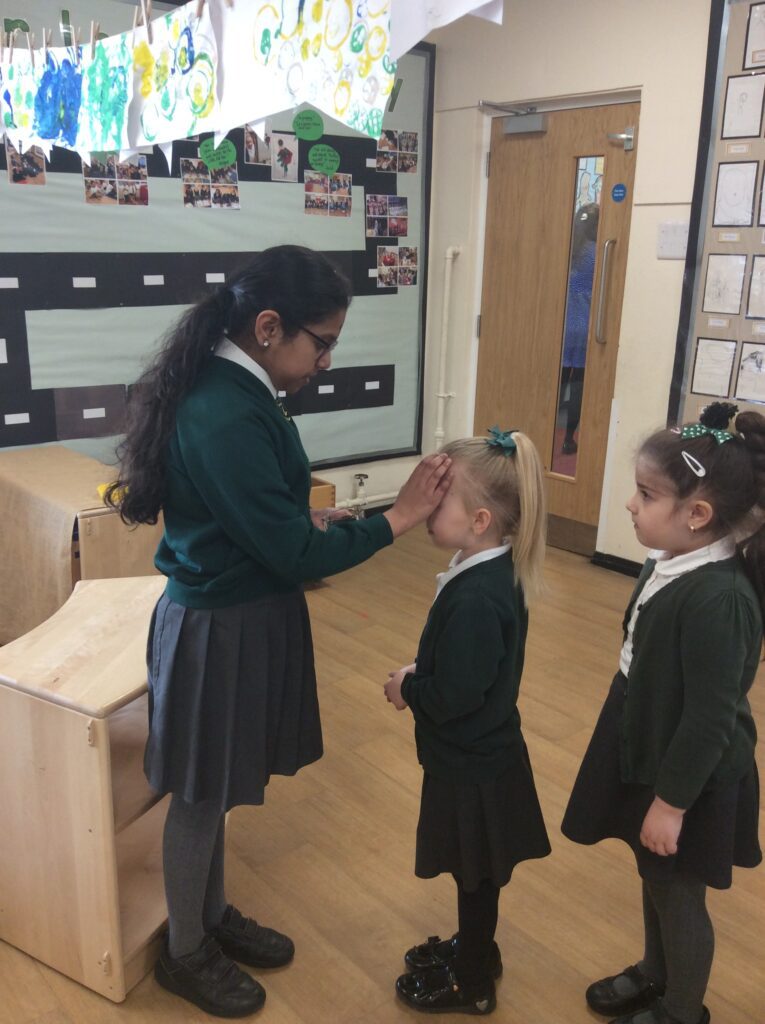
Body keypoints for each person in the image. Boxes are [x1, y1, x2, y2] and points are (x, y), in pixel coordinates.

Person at [105, 245, 451, 1018]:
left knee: (217, 787)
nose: (326, 361)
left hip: (239, 613)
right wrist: (397, 518)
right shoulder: (225, 409)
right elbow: (292, 555)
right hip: (215, 627)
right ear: (268, 327)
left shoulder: (241, 389)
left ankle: (208, 914)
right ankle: (184, 951)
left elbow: (257, 518)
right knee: (199, 794)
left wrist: (307, 518)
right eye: (320, 342)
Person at [562, 401, 763, 1024]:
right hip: (650, 739)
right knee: (655, 873)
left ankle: (681, 1011)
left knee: (679, 895)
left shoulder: (719, 599)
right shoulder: (671, 559)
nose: (630, 504)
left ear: (697, 515)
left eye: (646, 495)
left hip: (690, 774)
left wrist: (672, 804)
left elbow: (708, 720)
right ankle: (655, 973)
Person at [383, 427, 552, 1016]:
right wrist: (425, 667)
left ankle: (473, 982)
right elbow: (474, 665)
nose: (426, 508)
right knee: (473, 873)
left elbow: (457, 693)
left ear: (480, 520)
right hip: (480, 755)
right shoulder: (483, 569)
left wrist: (408, 688)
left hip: (472, 765)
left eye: (439, 500)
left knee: (474, 875)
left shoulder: (478, 595)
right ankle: (477, 948)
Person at [559, 202, 599, 455]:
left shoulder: (567, 249)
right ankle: (568, 439)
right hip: (585, 326)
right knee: (578, 387)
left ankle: (543, 430)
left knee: (559, 380)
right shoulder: (596, 253)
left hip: (563, 324)